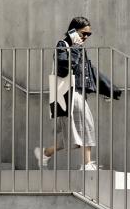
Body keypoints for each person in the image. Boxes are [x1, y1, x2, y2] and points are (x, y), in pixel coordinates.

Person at [34, 16, 121, 170]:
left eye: (89, 34)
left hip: (79, 92)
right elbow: (63, 69)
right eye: (83, 33)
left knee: (72, 134)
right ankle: (87, 164)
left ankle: (45, 153)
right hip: (69, 92)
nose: (86, 37)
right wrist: (74, 48)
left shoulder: (80, 49)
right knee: (86, 124)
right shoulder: (63, 45)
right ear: (73, 31)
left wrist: (109, 87)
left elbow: (91, 71)